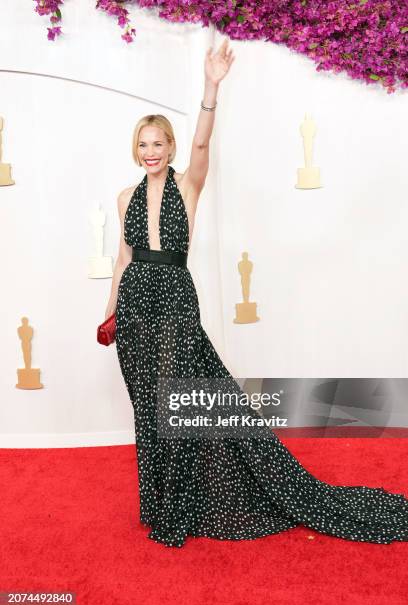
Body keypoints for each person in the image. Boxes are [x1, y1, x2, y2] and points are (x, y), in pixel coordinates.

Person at [105, 39, 408, 548]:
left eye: (158, 144)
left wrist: (210, 87)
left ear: (171, 148)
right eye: (143, 145)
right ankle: (158, 501)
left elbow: (203, 145)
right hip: (133, 308)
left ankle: (178, 510)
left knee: (178, 402)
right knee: (148, 408)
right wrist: (109, 312)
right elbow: (123, 259)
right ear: (135, 150)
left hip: (176, 296)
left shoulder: (189, 184)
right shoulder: (123, 197)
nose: (150, 152)